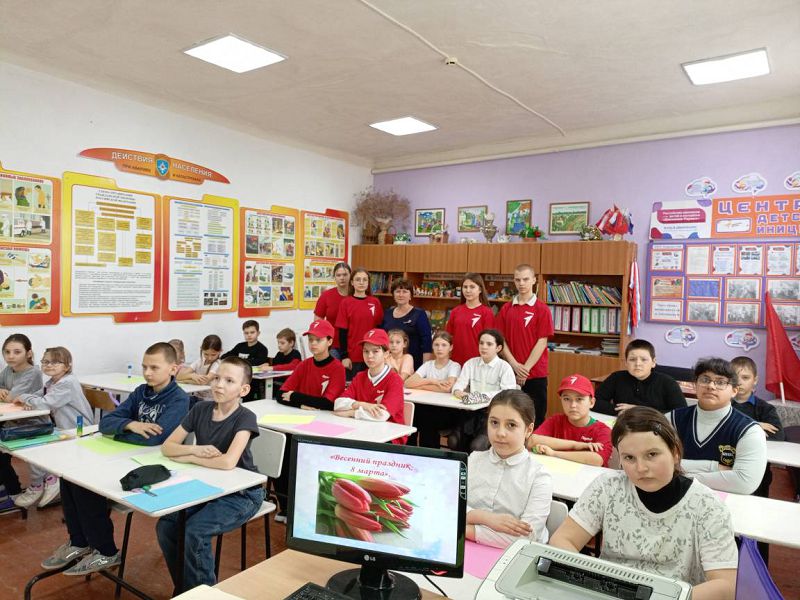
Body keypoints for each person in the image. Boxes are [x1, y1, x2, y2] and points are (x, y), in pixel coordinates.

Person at [551, 407, 737, 599]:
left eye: (652, 454)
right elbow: (562, 540)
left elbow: (725, 587)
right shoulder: (607, 487)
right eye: (629, 458)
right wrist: (592, 581)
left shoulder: (707, 506)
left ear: (675, 453)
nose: (640, 468)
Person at [41, 342, 190, 576]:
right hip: (127, 455)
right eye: (144, 366)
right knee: (69, 476)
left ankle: (106, 551)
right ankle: (79, 542)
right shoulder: (141, 391)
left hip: (156, 465)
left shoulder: (179, 399)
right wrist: (131, 424)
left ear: (173, 369)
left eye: (154, 367)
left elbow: (155, 439)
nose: (147, 372)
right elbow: (106, 423)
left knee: (87, 485)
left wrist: (119, 432)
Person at [157, 357, 263, 592]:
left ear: (244, 390)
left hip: (242, 494)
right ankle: (187, 590)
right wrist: (196, 449)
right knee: (166, 527)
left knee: (195, 532)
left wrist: (190, 457)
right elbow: (168, 447)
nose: (219, 385)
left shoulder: (245, 417)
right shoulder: (200, 409)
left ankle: (202, 594)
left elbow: (227, 462)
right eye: (216, 378)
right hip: (207, 487)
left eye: (229, 381)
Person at [274, 320, 347, 520]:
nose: (313, 344)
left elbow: (327, 403)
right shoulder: (305, 364)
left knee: (309, 464)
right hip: (298, 422)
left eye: (318, 340)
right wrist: (301, 405)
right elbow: (280, 394)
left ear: (329, 341)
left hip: (323, 426)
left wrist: (295, 397)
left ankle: (307, 509)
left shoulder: (337, 368)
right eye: (311, 340)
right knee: (282, 455)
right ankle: (286, 507)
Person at [668, 357, 767, 495]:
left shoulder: (749, 430)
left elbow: (744, 482)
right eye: (705, 380)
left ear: (734, 391)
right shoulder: (671, 419)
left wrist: (675, 476)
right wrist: (714, 467)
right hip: (675, 495)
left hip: (728, 501)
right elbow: (654, 462)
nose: (711, 386)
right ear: (695, 385)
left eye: (720, 382)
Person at [467, 390, 553, 548]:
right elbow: (449, 509)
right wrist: (486, 518)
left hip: (517, 554)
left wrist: (463, 528)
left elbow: (527, 537)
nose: (500, 433)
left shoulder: (539, 476)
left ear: (529, 430)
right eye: (494, 423)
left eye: (511, 425)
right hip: (467, 547)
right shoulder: (473, 460)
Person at [13, 347, 93, 509]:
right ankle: (44, 481)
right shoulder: (51, 382)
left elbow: (45, 403)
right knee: (32, 442)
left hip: (78, 431)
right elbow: (38, 396)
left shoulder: (67, 383)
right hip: (62, 428)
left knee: (36, 446)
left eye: (56, 362)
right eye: (45, 362)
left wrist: (25, 398)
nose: (49, 365)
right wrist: (29, 399)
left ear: (67, 366)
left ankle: (48, 480)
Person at [495, 264, 554, 428]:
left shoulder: (542, 309)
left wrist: (525, 369)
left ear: (534, 280)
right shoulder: (506, 308)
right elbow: (501, 340)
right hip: (510, 372)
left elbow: (542, 341)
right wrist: (514, 365)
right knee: (510, 417)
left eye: (526, 279)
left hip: (535, 374)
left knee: (536, 418)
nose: (521, 283)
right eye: (518, 280)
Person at [333, 329, 406, 443]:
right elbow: (338, 404)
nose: (369, 356)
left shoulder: (395, 380)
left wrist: (351, 413)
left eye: (375, 351)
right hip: (362, 431)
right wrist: (362, 405)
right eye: (366, 351)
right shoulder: (360, 376)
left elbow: (381, 416)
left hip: (389, 438)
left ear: (386, 354)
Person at [451, 329, 517, 452]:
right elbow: (458, 385)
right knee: (454, 441)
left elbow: (507, 393)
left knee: (477, 446)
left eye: (489, 344)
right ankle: (464, 463)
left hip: (493, 415)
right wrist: (458, 392)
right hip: (470, 413)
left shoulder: (504, 367)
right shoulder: (471, 363)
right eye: (481, 343)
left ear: (498, 348)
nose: (484, 347)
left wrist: (480, 396)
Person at [528, 374, 612, 467]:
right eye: (567, 399)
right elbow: (531, 441)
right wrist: (576, 445)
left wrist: (554, 453)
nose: (572, 405)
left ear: (591, 402)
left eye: (579, 399)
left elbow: (597, 460)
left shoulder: (603, 430)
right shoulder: (555, 420)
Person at [0, 333, 44, 509]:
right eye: (7, 352)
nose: (10, 356)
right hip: (11, 421)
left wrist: (5, 394)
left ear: (29, 353)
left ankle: (12, 492)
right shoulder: (8, 370)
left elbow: (11, 397)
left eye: (17, 352)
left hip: (30, 425)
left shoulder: (33, 372)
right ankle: (6, 488)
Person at [593, 339, 686, 415]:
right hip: (623, 424)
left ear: (653, 362)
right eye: (632, 359)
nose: (638, 364)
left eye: (644, 359)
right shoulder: (617, 377)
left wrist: (640, 411)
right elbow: (593, 402)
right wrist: (621, 411)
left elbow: (681, 413)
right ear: (626, 362)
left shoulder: (668, 382)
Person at [405, 331, 462, 448]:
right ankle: (409, 450)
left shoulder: (454, 366)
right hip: (425, 406)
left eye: (444, 345)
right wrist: (433, 381)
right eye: (436, 345)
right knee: (412, 418)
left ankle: (428, 453)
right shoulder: (428, 364)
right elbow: (408, 383)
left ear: (451, 347)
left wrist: (420, 385)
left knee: (427, 422)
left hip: (445, 410)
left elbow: (447, 388)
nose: (439, 348)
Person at [335, 268, 383, 376]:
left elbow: (379, 329)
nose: (361, 282)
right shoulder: (346, 303)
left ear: (368, 282)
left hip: (373, 356)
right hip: (353, 356)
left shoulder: (375, 302)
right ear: (352, 282)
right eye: (358, 279)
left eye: (364, 280)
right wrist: (344, 356)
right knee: (354, 385)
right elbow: (342, 332)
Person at [380, 278, 432, 370]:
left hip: (414, 365)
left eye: (405, 291)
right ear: (393, 295)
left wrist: (425, 369)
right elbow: (382, 340)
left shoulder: (419, 314)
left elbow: (426, 343)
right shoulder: (387, 313)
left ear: (410, 295)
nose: (401, 295)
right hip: (390, 365)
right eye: (398, 291)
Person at [445, 273, 495, 367]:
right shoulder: (455, 311)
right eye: (465, 287)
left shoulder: (486, 312)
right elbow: (448, 338)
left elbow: (489, 342)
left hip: (477, 363)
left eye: (472, 287)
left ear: (480, 289)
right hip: (456, 363)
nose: (468, 290)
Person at [222, 320, 270, 402]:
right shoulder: (240, 346)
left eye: (252, 332)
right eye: (246, 333)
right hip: (237, 379)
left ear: (258, 333)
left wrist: (237, 361)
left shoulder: (262, 349)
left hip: (253, 382)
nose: (249, 335)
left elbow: (258, 362)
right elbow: (225, 356)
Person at [314, 264, 351, 361]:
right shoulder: (326, 296)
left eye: (345, 274)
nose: (342, 278)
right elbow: (317, 323)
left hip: (352, 344)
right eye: (338, 275)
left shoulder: (356, 295)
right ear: (334, 277)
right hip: (332, 345)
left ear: (350, 275)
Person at [177, 335, 222, 403]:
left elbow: (203, 382)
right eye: (206, 354)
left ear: (220, 351)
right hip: (196, 396)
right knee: (180, 400)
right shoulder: (200, 361)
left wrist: (184, 380)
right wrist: (192, 376)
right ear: (201, 349)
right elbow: (178, 376)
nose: (209, 358)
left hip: (209, 400)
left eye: (213, 355)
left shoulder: (217, 364)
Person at [264, 328, 302, 399]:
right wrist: (267, 365)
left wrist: (272, 368)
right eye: (278, 343)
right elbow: (274, 366)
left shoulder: (296, 354)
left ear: (291, 343)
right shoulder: (279, 354)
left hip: (287, 389)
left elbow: (293, 366)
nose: (279, 345)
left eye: (282, 343)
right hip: (275, 387)